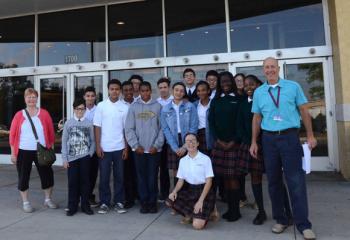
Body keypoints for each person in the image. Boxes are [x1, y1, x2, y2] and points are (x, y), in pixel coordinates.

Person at [250, 57, 317, 240]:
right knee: (273, 182)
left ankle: (303, 224)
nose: (270, 70)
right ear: (263, 70)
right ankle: (281, 219)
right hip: (269, 139)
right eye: (266, 67)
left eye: (272, 66)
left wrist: (310, 135)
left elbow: (304, 110)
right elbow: (256, 118)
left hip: (289, 137)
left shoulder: (293, 86)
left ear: (278, 68)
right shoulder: (259, 92)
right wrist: (254, 142)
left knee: (295, 181)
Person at [9, 88, 58, 213]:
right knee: (23, 177)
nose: (31, 99)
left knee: (47, 175)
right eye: (29, 97)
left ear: (37, 98)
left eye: (33, 97)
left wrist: (51, 148)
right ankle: (26, 202)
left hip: (41, 151)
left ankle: (48, 200)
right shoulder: (19, 115)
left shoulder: (44, 114)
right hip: (23, 151)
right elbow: (13, 135)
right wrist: (13, 153)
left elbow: (51, 133)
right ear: (25, 99)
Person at [125, 81, 164, 214]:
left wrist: (157, 145)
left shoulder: (158, 106)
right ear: (139, 92)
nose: (145, 93)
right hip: (139, 150)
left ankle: (152, 203)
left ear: (151, 91)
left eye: (147, 90)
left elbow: (162, 129)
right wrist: (135, 146)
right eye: (142, 91)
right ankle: (144, 203)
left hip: (154, 150)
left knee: (152, 177)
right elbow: (129, 128)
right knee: (141, 177)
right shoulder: (134, 107)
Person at [208, 71, 242, 222]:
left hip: (234, 145)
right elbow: (212, 123)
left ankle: (235, 211)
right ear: (219, 84)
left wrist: (234, 141)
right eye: (223, 82)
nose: (226, 84)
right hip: (219, 145)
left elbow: (241, 123)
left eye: (228, 81)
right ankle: (229, 209)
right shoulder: (215, 100)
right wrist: (218, 140)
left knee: (233, 178)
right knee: (224, 178)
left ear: (232, 82)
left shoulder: (239, 99)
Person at [166, 133, 216, 230]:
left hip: (204, 192)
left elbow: (209, 181)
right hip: (190, 190)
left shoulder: (205, 159)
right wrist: (174, 191)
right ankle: (191, 214)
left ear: (197, 143)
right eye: (188, 141)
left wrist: (200, 201)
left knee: (197, 226)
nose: (190, 143)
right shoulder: (183, 161)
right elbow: (180, 180)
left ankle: (210, 209)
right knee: (169, 200)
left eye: (193, 140)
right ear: (185, 144)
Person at [93, 79, 129, 214]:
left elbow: (126, 129)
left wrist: (126, 147)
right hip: (105, 148)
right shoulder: (101, 106)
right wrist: (98, 146)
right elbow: (97, 127)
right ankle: (104, 202)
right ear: (108, 90)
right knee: (104, 177)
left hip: (119, 147)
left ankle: (119, 202)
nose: (114, 91)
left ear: (120, 91)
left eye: (117, 89)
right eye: (112, 89)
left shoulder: (125, 107)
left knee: (120, 177)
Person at [236, 75, 266, 225]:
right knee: (254, 178)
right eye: (246, 85)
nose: (248, 88)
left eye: (252, 84)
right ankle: (261, 212)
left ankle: (283, 209)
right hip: (248, 145)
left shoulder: (265, 101)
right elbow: (239, 125)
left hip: (265, 145)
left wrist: (260, 142)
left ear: (259, 85)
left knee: (272, 178)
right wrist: (249, 142)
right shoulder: (242, 104)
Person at [160, 82, 199, 187]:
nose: (179, 92)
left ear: (184, 93)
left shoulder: (190, 106)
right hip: (173, 141)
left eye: (181, 91)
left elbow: (194, 126)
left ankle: (190, 197)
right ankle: (178, 198)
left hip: (188, 140)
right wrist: (175, 148)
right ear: (172, 91)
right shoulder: (165, 109)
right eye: (176, 90)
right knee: (177, 172)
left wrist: (185, 146)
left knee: (190, 169)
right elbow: (165, 129)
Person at [62, 98, 95, 216]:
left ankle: (85, 205)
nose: (80, 111)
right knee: (73, 183)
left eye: (82, 109)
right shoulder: (68, 123)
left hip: (85, 157)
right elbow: (64, 142)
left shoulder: (88, 123)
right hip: (72, 159)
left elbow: (93, 140)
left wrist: (90, 153)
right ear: (74, 110)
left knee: (85, 182)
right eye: (77, 109)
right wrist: (65, 159)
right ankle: (72, 206)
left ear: (85, 110)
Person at [121, 81, 137, 209]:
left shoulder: (138, 103)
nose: (128, 92)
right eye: (125, 90)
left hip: (139, 143)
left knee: (138, 172)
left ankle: (139, 195)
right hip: (125, 144)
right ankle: (129, 198)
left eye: (130, 90)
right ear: (122, 92)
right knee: (127, 172)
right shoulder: (120, 105)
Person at [156, 77, 173, 201]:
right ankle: (164, 193)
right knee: (163, 168)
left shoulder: (175, 101)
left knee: (177, 168)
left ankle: (180, 193)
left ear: (169, 88)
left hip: (173, 139)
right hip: (160, 140)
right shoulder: (156, 103)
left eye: (165, 87)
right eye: (160, 87)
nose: (163, 89)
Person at [83, 86, 99, 208]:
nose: (90, 98)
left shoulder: (99, 109)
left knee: (92, 173)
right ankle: (83, 196)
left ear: (95, 97)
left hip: (95, 145)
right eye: (87, 96)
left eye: (92, 96)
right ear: (84, 97)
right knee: (83, 173)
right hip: (82, 147)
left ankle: (89, 196)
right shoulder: (80, 109)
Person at [193, 81, 213, 155]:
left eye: (203, 90)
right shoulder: (194, 105)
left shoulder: (214, 103)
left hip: (212, 135)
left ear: (208, 91)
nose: (201, 93)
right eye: (198, 91)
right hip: (199, 135)